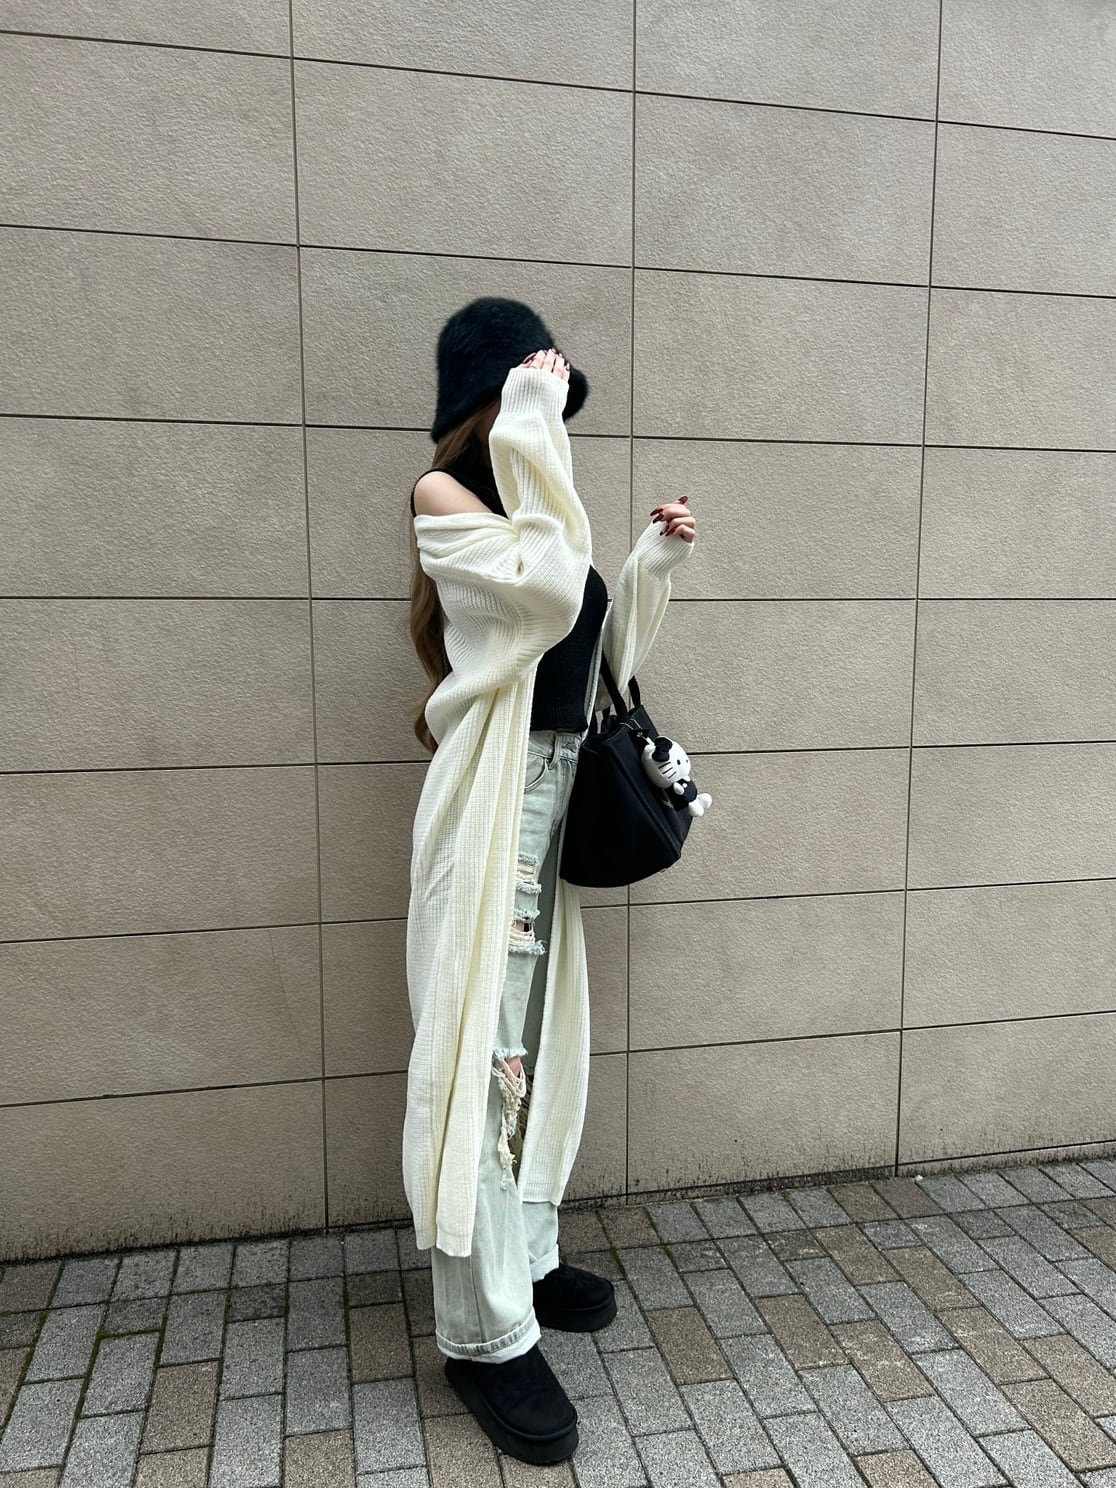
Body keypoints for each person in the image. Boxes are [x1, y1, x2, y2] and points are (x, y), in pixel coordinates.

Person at [403, 296, 696, 1463]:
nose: (554, 414)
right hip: (488, 815)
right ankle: (482, 1339)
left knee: (535, 1052)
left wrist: (650, 567)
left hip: (555, 801)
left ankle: (523, 1259)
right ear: (492, 398)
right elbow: (542, 593)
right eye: (538, 393)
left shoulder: (534, 503)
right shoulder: (442, 498)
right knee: (478, 1067)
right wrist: (532, 430)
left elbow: (594, 653)